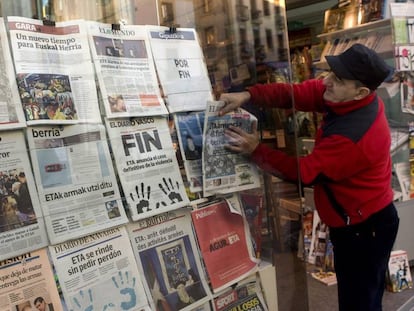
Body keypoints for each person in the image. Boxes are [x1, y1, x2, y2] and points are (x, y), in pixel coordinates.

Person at [219, 43, 400, 311]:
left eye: (337, 79)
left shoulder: (354, 136)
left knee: (359, 301)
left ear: (360, 91)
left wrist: (256, 150)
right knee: (360, 296)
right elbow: (294, 94)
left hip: (365, 228)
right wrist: (248, 95)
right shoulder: (343, 96)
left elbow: (304, 173)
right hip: (357, 219)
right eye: (330, 72)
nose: (326, 81)